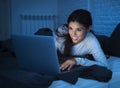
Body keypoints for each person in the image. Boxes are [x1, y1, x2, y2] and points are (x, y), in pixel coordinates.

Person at [49, 9, 112, 87]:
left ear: (89, 28)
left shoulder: (92, 41)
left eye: (78, 29)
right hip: (61, 37)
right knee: (43, 32)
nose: (73, 34)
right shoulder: (61, 34)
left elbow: (105, 66)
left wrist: (78, 61)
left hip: (96, 39)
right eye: (71, 28)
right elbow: (50, 54)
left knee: (104, 41)